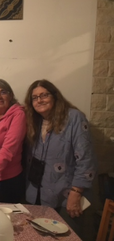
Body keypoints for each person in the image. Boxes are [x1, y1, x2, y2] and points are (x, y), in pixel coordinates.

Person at [24, 79, 96, 239]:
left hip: (66, 196)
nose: (39, 100)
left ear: (55, 96)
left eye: (44, 95)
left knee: (66, 237)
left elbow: (86, 159)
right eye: (35, 98)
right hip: (38, 194)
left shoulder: (74, 118)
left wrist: (76, 193)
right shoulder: (35, 121)